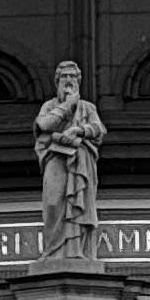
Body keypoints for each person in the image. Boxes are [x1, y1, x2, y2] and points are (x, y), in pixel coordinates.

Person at [35, 55, 107, 260]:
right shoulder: (49, 106)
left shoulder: (87, 107)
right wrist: (67, 105)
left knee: (78, 205)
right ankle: (53, 251)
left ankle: (76, 252)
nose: (68, 80)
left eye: (73, 76)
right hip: (55, 161)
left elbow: (99, 129)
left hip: (80, 163)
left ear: (78, 80)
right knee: (53, 203)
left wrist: (78, 131)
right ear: (57, 81)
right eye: (64, 76)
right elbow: (44, 125)